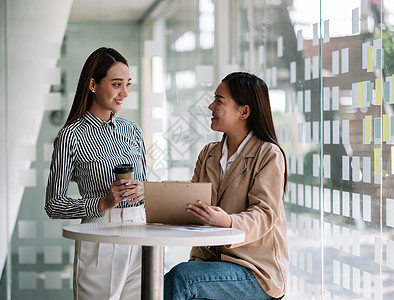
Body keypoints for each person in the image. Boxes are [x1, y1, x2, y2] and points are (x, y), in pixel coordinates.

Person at [164, 72, 289, 300]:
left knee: (181, 278)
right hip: (210, 263)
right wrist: (157, 196)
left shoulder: (268, 155)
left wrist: (228, 222)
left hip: (254, 271)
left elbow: (264, 214)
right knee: (168, 280)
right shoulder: (208, 153)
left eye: (219, 101)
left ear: (244, 111)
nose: (211, 106)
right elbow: (193, 202)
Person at [45, 47, 147, 300]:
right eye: (116, 84)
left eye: (128, 84)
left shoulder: (132, 130)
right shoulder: (71, 136)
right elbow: (53, 205)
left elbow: (147, 185)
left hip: (143, 232)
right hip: (101, 234)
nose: (125, 93)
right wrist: (103, 202)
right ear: (93, 84)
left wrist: (145, 189)